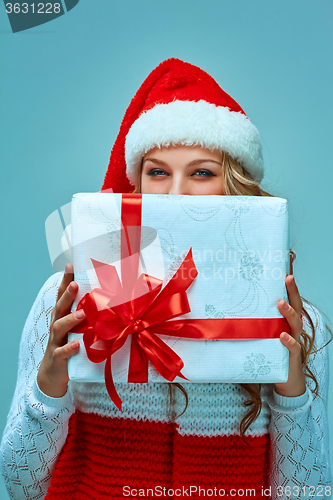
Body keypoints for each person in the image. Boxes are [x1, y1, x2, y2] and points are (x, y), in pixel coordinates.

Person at [0, 58, 332, 500]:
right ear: (133, 186)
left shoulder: (296, 324)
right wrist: (49, 388)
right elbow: (21, 485)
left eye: (201, 173)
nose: (175, 193)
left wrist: (292, 397)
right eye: (158, 172)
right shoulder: (68, 299)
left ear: (235, 187)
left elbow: (306, 494)